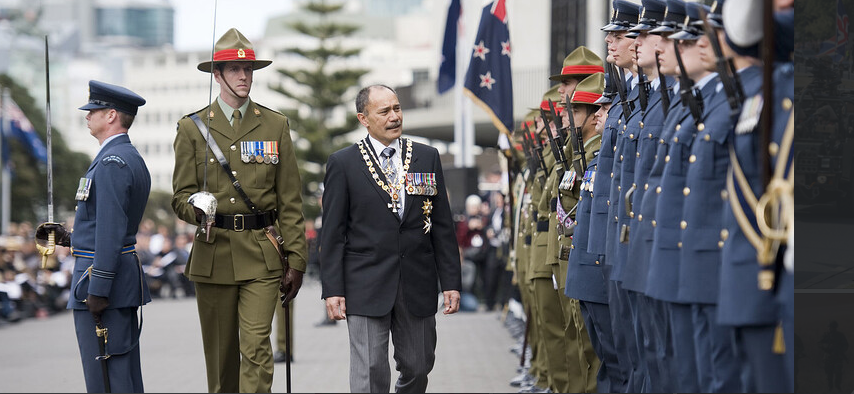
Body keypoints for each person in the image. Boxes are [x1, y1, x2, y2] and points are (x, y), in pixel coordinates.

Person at [171, 28, 307, 393]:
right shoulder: (192, 128)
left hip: (261, 254)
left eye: (248, 70)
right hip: (213, 253)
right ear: (217, 74)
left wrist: (297, 260)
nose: (244, 77)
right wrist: (195, 208)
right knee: (221, 357)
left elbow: (290, 201)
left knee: (257, 348)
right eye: (234, 70)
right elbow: (180, 196)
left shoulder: (275, 124)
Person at [320, 84, 462, 393]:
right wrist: (332, 290)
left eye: (397, 108)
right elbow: (332, 233)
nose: (394, 116)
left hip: (417, 280)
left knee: (418, 366)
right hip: (365, 282)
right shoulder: (344, 163)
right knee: (370, 370)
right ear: (364, 118)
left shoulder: (427, 157)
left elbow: (442, 226)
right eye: (384, 111)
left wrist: (451, 282)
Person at [35, 80, 151, 392]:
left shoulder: (112, 162)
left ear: (111, 115)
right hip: (109, 274)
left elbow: (112, 230)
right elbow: (106, 227)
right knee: (118, 373)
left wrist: (98, 288)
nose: (88, 115)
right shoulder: (122, 156)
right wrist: (70, 238)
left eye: (94, 110)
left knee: (108, 378)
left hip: (101, 282)